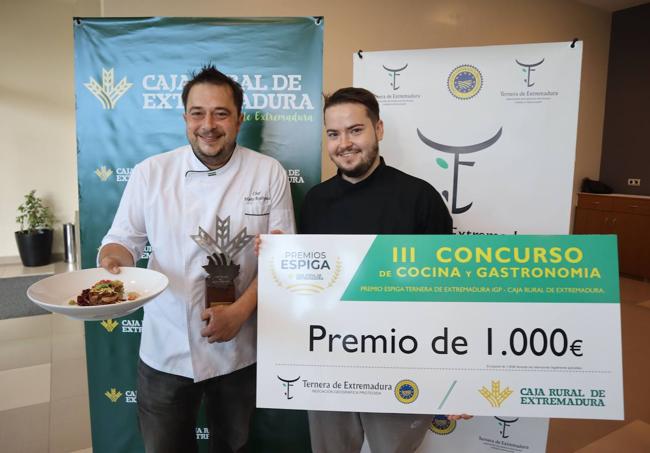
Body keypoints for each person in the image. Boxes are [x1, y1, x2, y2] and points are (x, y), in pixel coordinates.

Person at [99, 64, 295, 453]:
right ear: (185, 117)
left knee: (233, 445)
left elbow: (284, 257)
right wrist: (113, 262)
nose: (209, 124)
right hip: (164, 345)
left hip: (239, 347)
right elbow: (122, 240)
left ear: (239, 119)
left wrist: (240, 312)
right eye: (197, 113)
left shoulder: (267, 172)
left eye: (221, 113)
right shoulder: (150, 173)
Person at [300, 87, 469, 453]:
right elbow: (308, 288)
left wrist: (458, 376)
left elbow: (448, 295)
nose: (344, 143)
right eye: (333, 134)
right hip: (331, 362)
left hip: (403, 361)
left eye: (355, 130)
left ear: (378, 129)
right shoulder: (314, 201)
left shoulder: (420, 198)